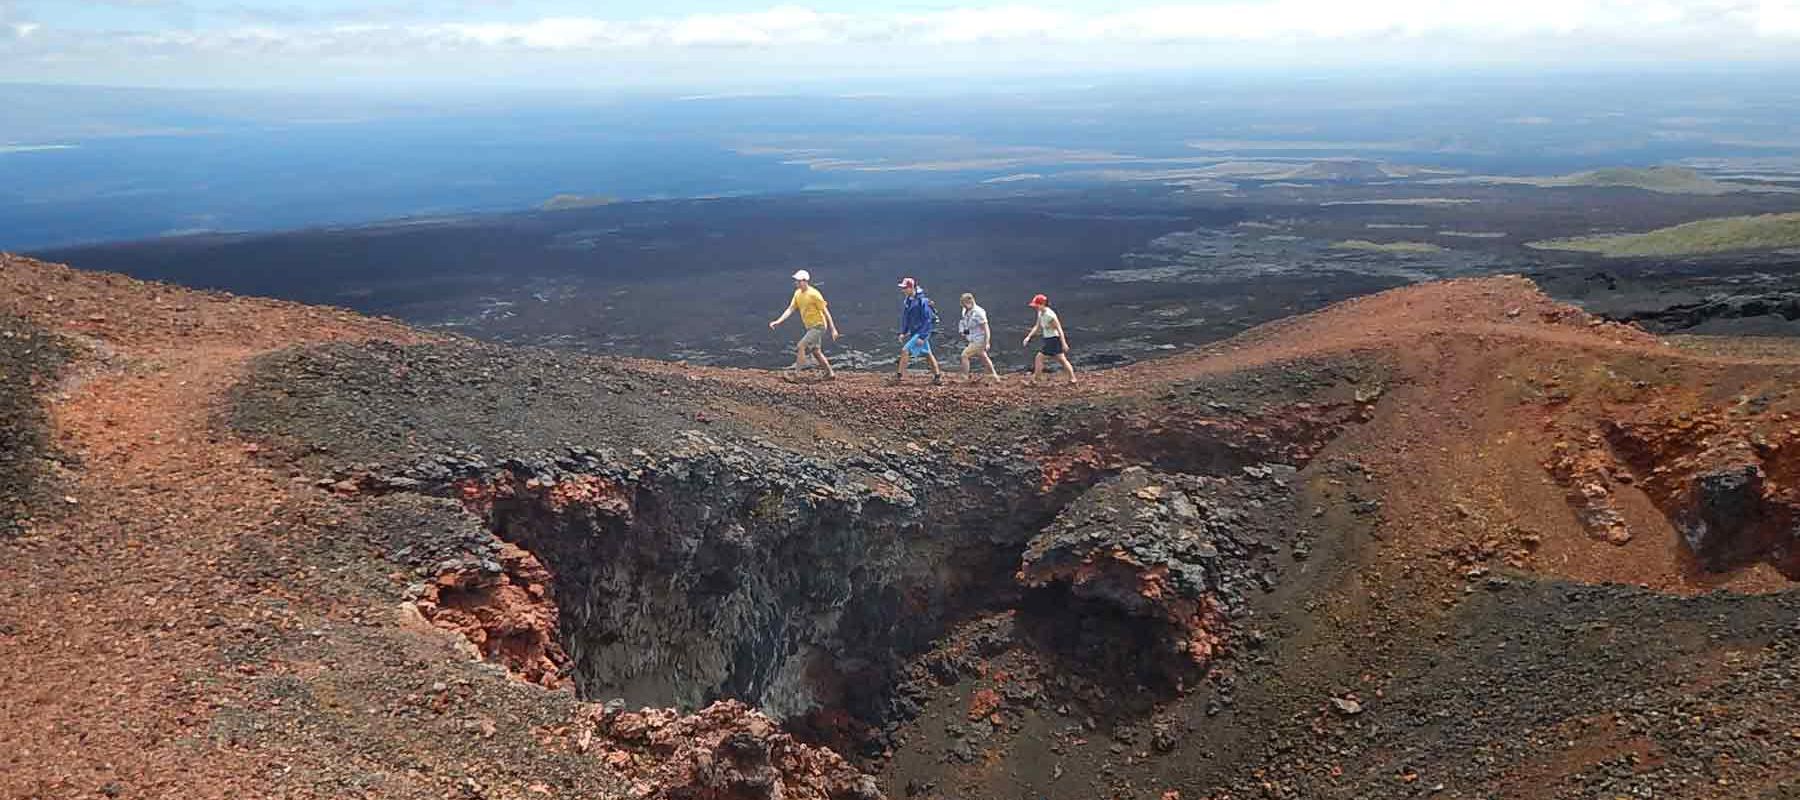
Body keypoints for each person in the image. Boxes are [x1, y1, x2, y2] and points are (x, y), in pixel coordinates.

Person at [767, 269, 838, 380]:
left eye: (799, 281)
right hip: (810, 327)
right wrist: (778, 321)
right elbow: (791, 309)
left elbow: (825, 311)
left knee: (801, 346)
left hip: (818, 326)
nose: (796, 283)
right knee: (816, 352)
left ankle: (796, 374)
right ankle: (830, 373)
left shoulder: (814, 294)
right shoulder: (797, 294)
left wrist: (833, 329)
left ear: (805, 281)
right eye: (796, 281)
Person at [892, 277, 943, 385]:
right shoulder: (908, 301)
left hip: (921, 332)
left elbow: (927, 320)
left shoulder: (922, 301)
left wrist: (923, 336)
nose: (903, 290)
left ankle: (899, 376)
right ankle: (937, 376)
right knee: (928, 354)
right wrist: (903, 332)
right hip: (916, 332)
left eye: (905, 288)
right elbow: (906, 317)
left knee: (905, 350)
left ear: (911, 288)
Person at [1023, 293, 1076, 385]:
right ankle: (1073, 379)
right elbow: (1037, 326)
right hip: (1048, 339)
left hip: (1054, 340)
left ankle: (1035, 380)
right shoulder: (1040, 313)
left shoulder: (1050, 315)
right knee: (1062, 360)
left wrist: (1064, 343)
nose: (1035, 307)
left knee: (1039, 358)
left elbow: (1059, 329)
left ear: (1042, 304)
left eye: (1037, 305)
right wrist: (1029, 337)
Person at [957, 292, 1001, 383]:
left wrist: (987, 342)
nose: (963, 306)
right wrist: (964, 332)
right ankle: (994, 376)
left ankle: (964, 377)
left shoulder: (979, 312)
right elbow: (965, 323)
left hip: (979, 340)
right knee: (983, 356)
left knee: (964, 355)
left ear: (971, 301)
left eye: (965, 304)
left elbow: (986, 329)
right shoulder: (965, 310)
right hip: (972, 338)